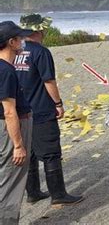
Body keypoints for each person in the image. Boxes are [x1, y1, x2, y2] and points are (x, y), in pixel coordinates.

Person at [14, 14, 83, 205]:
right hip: (41, 108)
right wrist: (58, 104)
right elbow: (48, 80)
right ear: (39, 30)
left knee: (29, 153)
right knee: (51, 153)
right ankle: (58, 194)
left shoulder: (14, 51)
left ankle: (33, 191)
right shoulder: (41, 52)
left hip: (19, 110)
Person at [0, 21, 33, 225]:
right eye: (20, 38)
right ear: (11, 42)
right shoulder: (6, 71)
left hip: (6, 126)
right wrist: (19, 146)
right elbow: (10, 111)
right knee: (12, 179)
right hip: (11, 127)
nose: (23, 41)